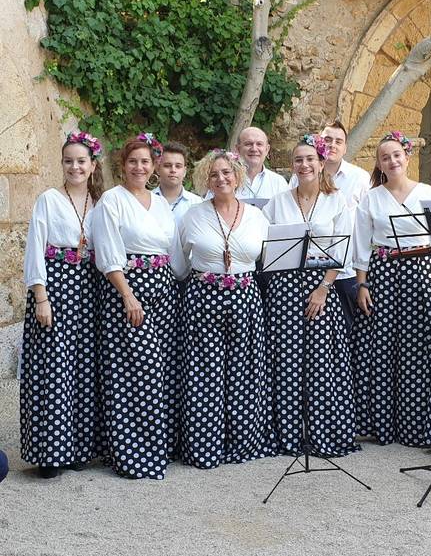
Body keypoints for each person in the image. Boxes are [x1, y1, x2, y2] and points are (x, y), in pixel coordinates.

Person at [90, 133, 185, 480]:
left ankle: (155, 450)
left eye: (146, 161)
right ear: (123, 165)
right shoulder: (112, 200)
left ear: (154, 165)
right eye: (133, 162)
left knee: (158, 372)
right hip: (128, 291)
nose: (140, 167)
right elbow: (108, 252)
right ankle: (131, 454)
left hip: (163, 292)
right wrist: (128, 295)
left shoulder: (160, 203)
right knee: (132, 373)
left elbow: (174, 255)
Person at [263, 134, 358, 458]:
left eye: (310, 159)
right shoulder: (278, 201)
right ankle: (288, 437)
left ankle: (323, 434)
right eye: (298, 160)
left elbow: (341, 252)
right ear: (293, 166)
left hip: (322, 286)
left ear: (321, 164)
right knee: (286, 362)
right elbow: (269, 249)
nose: (304, 165)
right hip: (285, 288)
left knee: (321, 362)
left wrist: (322, 289)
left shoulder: (337, 200)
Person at [177, 149, 273, 468]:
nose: (221, 179)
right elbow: (179, 262)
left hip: (245, 296)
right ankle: (205, 447)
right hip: (204, 295)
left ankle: (242, 443)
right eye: (214, 174)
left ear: (238, 176)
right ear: (206, 179)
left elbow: (266, 260)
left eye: (227, 173)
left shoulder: (258, 217)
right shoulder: (192, 214)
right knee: (205, 372)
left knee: (243, 371)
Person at [20, 130, 105, 479]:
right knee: (54, 369)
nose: (75, 167)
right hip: (55, 286)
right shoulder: (49, 199)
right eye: (69, 161)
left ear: (92, 164)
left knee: (83, 369)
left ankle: (77, 449)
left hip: (88, 288)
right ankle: (50, 453)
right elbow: (35, 249)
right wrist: (41, 295)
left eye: (81, 161)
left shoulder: (100, 203)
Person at [351, 131, 431, 447]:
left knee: (419, 346)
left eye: (396, 155)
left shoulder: (428, 192)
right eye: (385, 157)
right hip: (383, 274)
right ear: (379, 164)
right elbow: (361, 245)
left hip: (420, 272)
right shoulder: (372, 197)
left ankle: (415, 425)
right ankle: (381, 424)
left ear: (406, 156)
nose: (392, 161)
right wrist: (362, 284)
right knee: (381, 346)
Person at [289, 120, 369, 332]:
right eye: (327, 139)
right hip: (305, 272)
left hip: (346, 270)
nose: (332, 145)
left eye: (338, 141)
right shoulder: (297, 178)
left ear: (345, 147)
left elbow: (365, 227)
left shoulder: (359, 177)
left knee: (348, 331)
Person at [153, 141, 202, 224]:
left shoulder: (197, 204)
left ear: (185, 171)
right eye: (167, 165)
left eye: (178, 166)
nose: (173, 170)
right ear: (158, 169)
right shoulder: (147, 200)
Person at [234, 126, 288, 200]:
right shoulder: (225, 181)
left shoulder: (278, 182)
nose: (254, 149)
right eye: (248, 144)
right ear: (238, 149)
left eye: (259, 144)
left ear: (267, 149)